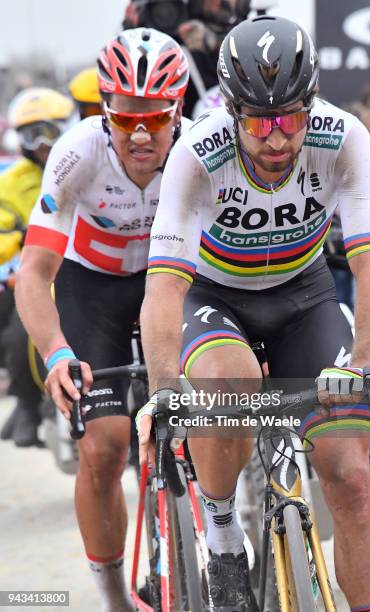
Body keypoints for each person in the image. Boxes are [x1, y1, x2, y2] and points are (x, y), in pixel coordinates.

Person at [138, 16, 370, 612]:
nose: (277, 139)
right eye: (259, 122)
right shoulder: (196, 154)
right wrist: (162, 387)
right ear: (231, 111)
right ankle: (224, 534)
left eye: (291, 119)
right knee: (228, 384)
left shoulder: (345, 136)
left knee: (352, 479)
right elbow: (164, 287)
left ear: (312, 103)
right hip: (216, 298)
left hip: (304, 298)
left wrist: (365, 366)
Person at [15, 28, 189, 612]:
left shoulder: (202, 150)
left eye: (157, 118)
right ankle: (116, 599)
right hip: (93, 287)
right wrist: (58, 352)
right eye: (124, 119)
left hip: (173, 279)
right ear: (105, 110)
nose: (140, 135)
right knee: (105, 448)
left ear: (180, 108)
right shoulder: (76, 151)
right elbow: (35, 274)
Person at [0, 87, 75, 447]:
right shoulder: (11, 182)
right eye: (33, 134)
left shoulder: (82, 162)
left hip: (86, 267)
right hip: (38, 271)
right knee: (19, 334)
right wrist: (19, 240)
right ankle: (28, 403)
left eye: (50, 130)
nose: (43, 143)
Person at [122, 0, 250, 117]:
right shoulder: (165, 38)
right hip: (183, 124)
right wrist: (134, 36)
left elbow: (256, 59)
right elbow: (137, 89)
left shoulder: (249, 22)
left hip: (231, 118)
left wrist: (215, 42)